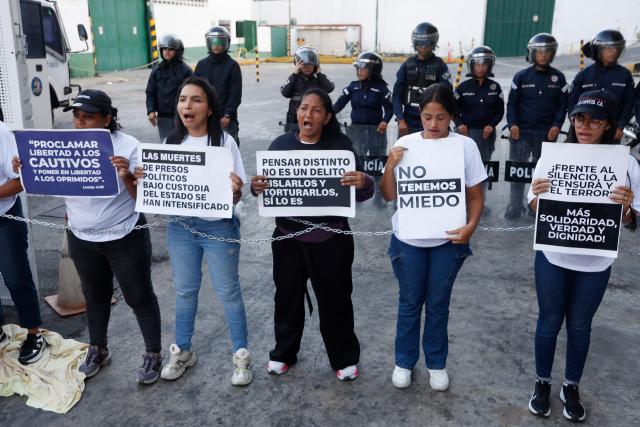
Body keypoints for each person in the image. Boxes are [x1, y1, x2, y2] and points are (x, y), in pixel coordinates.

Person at [18, 90, 164, 383]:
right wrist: (25, 168)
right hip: (81, 237)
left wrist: (127, 176)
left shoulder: (129, 146)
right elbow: (47, 177)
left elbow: (145, 199)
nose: (79, 123)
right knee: (94, 295)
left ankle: (153, 353)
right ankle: (98, 348)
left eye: (87, 117)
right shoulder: (65, 145)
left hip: (124, 236)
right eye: (76, 117)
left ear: (107, 119)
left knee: (139, 296)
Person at [527, 90, 638, 423]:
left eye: (595, 120)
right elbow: (534, 208)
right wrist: (538, 198)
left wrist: (627, 207)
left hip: (595, 262)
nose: (585, 126)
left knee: (580, 327)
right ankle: (542, 383)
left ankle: (570, 386)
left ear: (608, 125)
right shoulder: (554, 156)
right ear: (572, 120)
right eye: (579, 118)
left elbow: (632, 222)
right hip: (553, 256)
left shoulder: (626, 163)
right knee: (548, 324)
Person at [250, 88, 374, 381]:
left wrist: (364, 181)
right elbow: (263, 190)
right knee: (287, 299)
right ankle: (283, 353)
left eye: (316, 110)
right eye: (304, 108)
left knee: (337, 301)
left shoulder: (340, 148)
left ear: (327, 116)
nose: (308, 114)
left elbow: (362, 192)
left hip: (331, 239)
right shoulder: (279, 145)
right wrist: (257, 188)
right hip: (287, 238)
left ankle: (344, 358)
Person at [140, 77, 251, 386]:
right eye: (183, 99)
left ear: (211, 108)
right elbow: (158, 189)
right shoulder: (170, 144)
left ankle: (241, 356)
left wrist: (235, 191)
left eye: (196, 100)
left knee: (228, 292)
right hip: (181, 228)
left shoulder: (224, 143)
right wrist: (145, 180)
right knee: (185, 291)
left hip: (219, 226)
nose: (187, 105)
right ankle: (183, 350)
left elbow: (237, 193)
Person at [380, 83, 486, 391]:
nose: (434, 124)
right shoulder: (407, 143)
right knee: (410, 302)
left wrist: (470, 227)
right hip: (408, 240)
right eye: (427, 117)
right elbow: (389, 195)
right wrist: (390, 164)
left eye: (441, 117)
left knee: (439, 304)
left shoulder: (464, 146)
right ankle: (404, 361)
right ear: (419, 115)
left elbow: (476, 196)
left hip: (447, 242)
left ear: (451, 116)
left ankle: (436, 364)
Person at [505, 33, 568, 219]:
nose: (543, 55)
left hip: (546, 134)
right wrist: (512, 124)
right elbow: (512, 104)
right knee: (518, 172)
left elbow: (563, 105)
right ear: (532, 53)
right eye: (539, 51)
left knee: (542, 173)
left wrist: (557, 124)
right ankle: (515, 206)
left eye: (548, 51)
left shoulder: (559, 78)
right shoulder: (521, 77)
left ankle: (535, 205)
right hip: (521, 133)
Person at [0, 118, 46, 365]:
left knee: (16, 277)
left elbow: (19, 181)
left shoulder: (1, 133)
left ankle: (33, 333)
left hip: (4, 217)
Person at [334, 51, 393, 204]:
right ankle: (357, 194)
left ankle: (379, 195)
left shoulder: (381, 89)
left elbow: (390, 108)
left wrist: (385, 121)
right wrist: (326, 113)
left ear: (373, 70)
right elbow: (338, 105)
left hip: (376, 131)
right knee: (357, 161)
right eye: (358, 68)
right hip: (356, 131)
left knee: (377, 162)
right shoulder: (352, 87)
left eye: (363, 68)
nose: (359, 71)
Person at [454, 45, 504, 208]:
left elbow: (500, 111)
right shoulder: (462, 87)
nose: (481, 68)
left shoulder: (495, 87)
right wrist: (460, 124)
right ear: (471, 65)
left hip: (485, 135)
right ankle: (461, 200)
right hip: (465, 134)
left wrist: (491, 125)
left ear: (490, 65)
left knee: (482, 167)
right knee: (462, 167)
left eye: (484, 64)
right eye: (477, 64)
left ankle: (479, 201)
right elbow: (453, 110)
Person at [568, 30, 635, 139]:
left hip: (610, 129)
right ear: (598, 50)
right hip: (584, 128)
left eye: (617, 48)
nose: (614, 51)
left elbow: (629, 103)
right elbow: (572, 99)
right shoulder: (584, 75)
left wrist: (621, 125)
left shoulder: (624, 75)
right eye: (609, 48)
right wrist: (573, 120)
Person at [392, 22, 452, 138]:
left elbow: (447, 94)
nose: (423, 46)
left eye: (427, 42)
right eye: (420, 42)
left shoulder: (440, 65)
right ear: (415, 43)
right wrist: (401, 120)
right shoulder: (407, 65)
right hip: (409, 122)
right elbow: (396, 95)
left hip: (432, 122)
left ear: (433, 43)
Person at [194, 26, 242, 145]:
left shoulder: (232, 66)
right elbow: (195, 90)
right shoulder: (201, 65)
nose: (216, 45)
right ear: (208, 43)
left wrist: (228, 114)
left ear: (226, 43)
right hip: (204, 118)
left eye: (220, 41)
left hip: (225, 120)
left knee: (228, 152)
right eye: (213, 41)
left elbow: (235, 94)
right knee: (206, 152)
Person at [146, 33, 193, 142]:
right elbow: (150, 92)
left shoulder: (186, 71)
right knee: (166, 145)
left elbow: (192, 93)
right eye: (164, 48)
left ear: (177, 51)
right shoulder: (156, 70)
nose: (167, 51)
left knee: (184, 144)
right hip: (163, 117)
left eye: (171, 49)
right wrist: (150, 110)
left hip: (182, 116)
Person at [281, 46, 335, 133]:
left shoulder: (318, 79)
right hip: (294, 120)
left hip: (313, 119)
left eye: (310, 65)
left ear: (315, 65)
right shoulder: (294, 79)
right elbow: (285, 93)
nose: (307, 68)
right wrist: (294, 74)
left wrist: (319, 74)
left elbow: (330, 88)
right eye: (304, 65)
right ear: (298, 65)